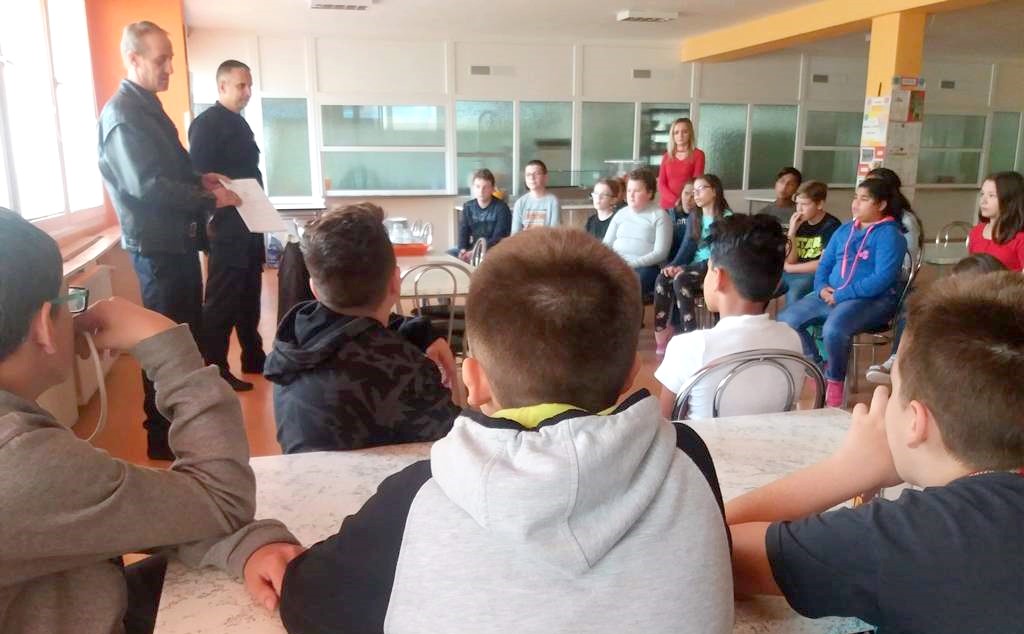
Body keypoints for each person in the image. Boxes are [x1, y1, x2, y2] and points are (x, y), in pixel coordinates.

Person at [278, 227, 734, 634]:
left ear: (473, 381)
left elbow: (304, 599)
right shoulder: (686, 455)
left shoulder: (417, 498)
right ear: (631, 372)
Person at [0, 209, 301, 634]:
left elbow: (95, 516)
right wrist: (165, 345)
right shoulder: (20, 459)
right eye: (69, 301)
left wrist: (239, 544)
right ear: (43, 327)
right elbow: (221, 499)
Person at [726, 272, 1024, 634]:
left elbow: (710, 547)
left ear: (916, 423)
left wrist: (848, 469)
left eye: (893, 387)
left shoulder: (913, 537)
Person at [97, 21, 241, 460]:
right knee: (163, 344)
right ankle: (160, 437)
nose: (169, 69)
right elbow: (147, 187)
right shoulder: (123, 115)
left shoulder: (148, 108)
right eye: (161, 60)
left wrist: (200, 179)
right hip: (158, 249)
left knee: (183, 338)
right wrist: (210, 197)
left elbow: (169, 172)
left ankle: (180, 427)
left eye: (170, 59)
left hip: (177, 244)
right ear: (134, 59)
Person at [264, 204, 460, 453]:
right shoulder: (407, 372)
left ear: (315, 289)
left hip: (307, 476)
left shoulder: (292, 342)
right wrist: (459, 391)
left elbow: (350, 329)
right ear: (395, 283)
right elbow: (456, 448)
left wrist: (420, 331)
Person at [656, 214, 803, 420]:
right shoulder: (791, 339)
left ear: (719, 277)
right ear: (777, 282)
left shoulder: (689, 346)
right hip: (775, 440)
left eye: (708, 270)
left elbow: (665, 421)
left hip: (708, 442)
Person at [778, 178, 905, 408]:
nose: (856, 204)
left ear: (881, 204)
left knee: (834, 329)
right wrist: (821, 287)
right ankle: (818, 368)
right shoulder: (845, 230)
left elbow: (882, 278)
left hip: (871, 299)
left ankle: (835, 380)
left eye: (864, 199)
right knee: (786, 320)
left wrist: (841, 295)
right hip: (831, 295)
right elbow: (825, 264)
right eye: (855, 197)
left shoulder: (890, 235)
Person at [188, 59, 266, 392]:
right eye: (240, 85)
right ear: (221, 86)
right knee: (222, 300)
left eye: (249, 85)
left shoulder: (240, 123)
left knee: (250, 294)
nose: (247, 92)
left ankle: (254, 357)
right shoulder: (206, 125)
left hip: (250, 221)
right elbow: (199, 177)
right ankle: (216, 367)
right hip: (226, 225)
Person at [652, 174, 733, 354]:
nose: (695, 195)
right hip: (693, 267)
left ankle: (690, 334)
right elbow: (687, 247)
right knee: (663, 277)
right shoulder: (695, 216)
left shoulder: (727, 218)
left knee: (681, 279)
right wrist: (673, 266)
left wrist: (683, 269)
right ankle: (661, 332)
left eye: (700, 189)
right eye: (693, 191)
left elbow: (719, 256)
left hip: (714, 268)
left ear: (714, 191)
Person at [602, 168, 672, 295]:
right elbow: (605, 245)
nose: (631, 195)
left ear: (649, 193)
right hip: (617, 265)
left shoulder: (660, 216)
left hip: (645, 267)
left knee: (625, 285)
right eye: (629, 190)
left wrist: (630, 264)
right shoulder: (621, 214)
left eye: (637, 191)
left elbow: (660, 253)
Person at [781, 181, 841, 306]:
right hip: (796, 270)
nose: (799, 209)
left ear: (820, 204)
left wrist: (790, 268)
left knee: (794, 292)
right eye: (797, 203)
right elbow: (790, 260)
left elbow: (824, 263)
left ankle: (791, 319)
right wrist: (792, 232)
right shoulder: (800, 223)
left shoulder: (832, 226)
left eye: (804, 204)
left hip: (815, 274)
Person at [449, 168, 512, 261]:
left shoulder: (501, 208)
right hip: (474, 248)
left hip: (493, 250)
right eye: (478, 186)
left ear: (492, 189)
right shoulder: (468, 207)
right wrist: (462, 250)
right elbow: (463, 232)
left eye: (485, 187)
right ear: (473, 188)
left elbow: (498, 238)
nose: (481, 191)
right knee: (449, 254)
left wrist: (476, 252)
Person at [968, 171, 1024, 271]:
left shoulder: (1020, 239)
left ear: (1010, 200)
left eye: (991, 195)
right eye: (982, 194)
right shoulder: (976, 232)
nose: (983, 201)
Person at [657, 117, 705, 210]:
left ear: (690, 134)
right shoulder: (667, 156)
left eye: (685, 132)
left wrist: (685, 201)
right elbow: (661, 184)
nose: (680, 136)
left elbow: (696, 183)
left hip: (688, 205)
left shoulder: (698, 155)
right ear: (672, 135)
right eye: (676, 132)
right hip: (667, 206)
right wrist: (676, 201)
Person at [511, 159, 560, 233]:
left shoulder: (553, 202)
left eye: (536, 174)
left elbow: (554, 233)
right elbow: (515, 234)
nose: (532, 178)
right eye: (528, 175)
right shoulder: (520, 203)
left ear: (545, 177)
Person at [668, 179, 698, 260]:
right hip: (668, 258)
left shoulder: (701, 217)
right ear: (681, 194)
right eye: (686, 193)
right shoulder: (669, 213)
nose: (688, 199)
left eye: (693, 196)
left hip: (690, 259)